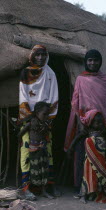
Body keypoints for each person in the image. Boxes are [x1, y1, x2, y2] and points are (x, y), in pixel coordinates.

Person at [64, 49, 106, 196]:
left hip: (99, 125)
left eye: (95, 60)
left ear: (100, 62)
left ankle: (97, 187)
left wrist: (104, 122)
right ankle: (79, 186)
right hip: (84, 123)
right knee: (81, 156)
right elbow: (76, 102)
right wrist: (80, 121)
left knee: (99, 156)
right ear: (86, 62)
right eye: (90, 60)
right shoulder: (80, 79)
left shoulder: (105, 80)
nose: (92, 63)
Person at [19, 45, 58, 200]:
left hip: (45, 120)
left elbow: (54, 97)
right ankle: (26, 188)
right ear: (32, 56)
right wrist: (31, 118)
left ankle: (48, 185)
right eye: (38, 55)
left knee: (47, 152)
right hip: (29, 120)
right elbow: (23, 96)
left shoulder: (50, 74)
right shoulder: (26, 73)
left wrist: (47, 118)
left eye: (43, 55)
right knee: (26, 152)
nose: (41, 58)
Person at [68, 110, 106, 204]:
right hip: (89, 161)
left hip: (101, 160)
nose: (100, 124)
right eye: (97, 122)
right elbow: (77, 139)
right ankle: (83, 196)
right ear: (91, 122)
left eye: (101, 122)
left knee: (104, 176)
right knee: (87, 177)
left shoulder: (103, 131)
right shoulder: (87, 131)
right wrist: (70, 149)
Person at [18, 102, 54, 199]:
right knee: (34, 171)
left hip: (42, 151)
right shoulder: (31, 123)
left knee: (43, 171)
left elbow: (46, 136)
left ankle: (44, 191)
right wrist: (24, 143)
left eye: (48, 114)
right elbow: (21, 133)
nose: (46, 116)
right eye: (44, 114)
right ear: (37, 113)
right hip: (33, 151)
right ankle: (27, 190)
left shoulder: (46, 124)